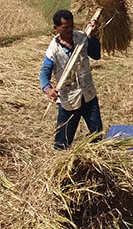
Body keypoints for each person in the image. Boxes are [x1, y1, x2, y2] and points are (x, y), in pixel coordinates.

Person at [40, 9, 103, 150]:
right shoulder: (53, 50)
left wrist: (93, 35)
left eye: (71, 26)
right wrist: (48, 89)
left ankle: (95, 157)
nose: (70, 30)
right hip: (69, 98)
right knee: (62, 142)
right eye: (65, 28)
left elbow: (96, 55)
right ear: (56, 28)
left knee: (97, 133)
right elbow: (45, 72)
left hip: (88, 94)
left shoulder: (81, 37)